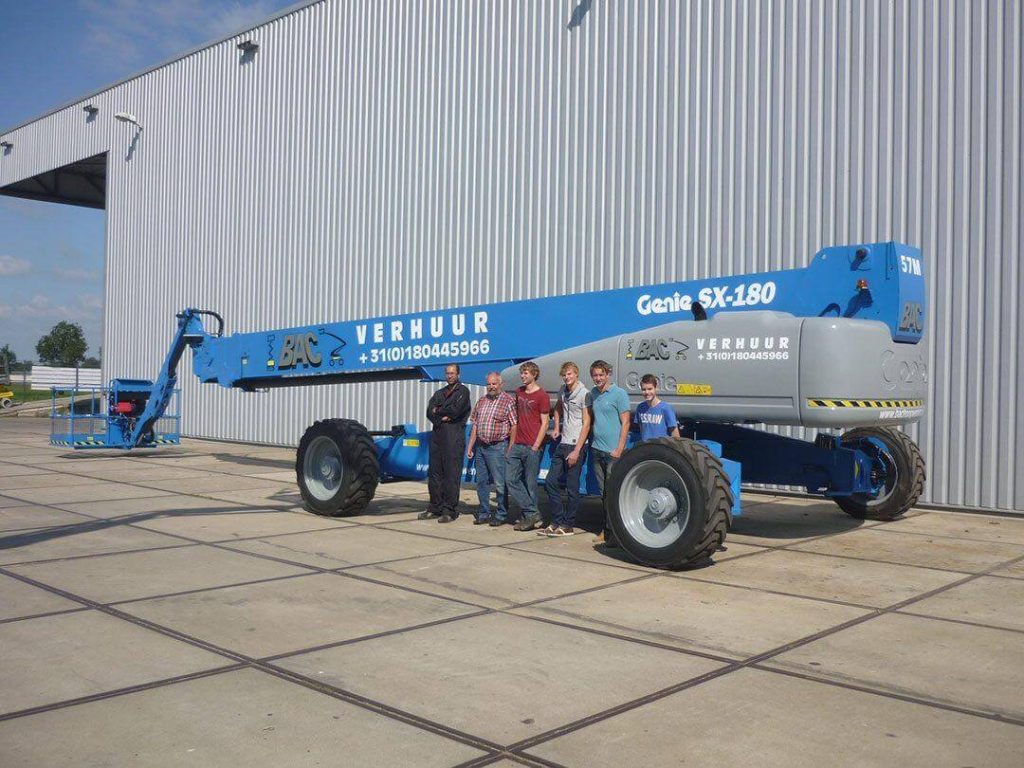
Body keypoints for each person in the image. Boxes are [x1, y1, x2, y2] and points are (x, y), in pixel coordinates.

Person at [542, 362, 591, 536]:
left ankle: (568, 524)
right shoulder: (563, 390)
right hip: (563, 443)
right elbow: (557, 409)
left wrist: (577, 450)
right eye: (564, 375)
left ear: (576, 374)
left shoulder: (584, 394)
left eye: (570, 374)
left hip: (576, 445)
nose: (567, 377)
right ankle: (556, 521)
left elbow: (587, 423)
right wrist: (556, 427)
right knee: (550, 482)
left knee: (572, 488)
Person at [419, 364, 471, 523]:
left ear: (458, 374)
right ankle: (435, 507)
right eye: (447, 373)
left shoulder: (463, 392)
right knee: (434, 474)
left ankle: (449, 510)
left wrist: (439, 410)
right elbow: (429, 411)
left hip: (453, 438)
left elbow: (456, 411)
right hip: (437, 436)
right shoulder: (439, 393)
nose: (449, 376)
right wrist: (442, 414)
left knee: (451, 475)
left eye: (452, 373)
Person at [466, 372, 517, 526]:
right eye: (489, 384)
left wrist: (510, 448)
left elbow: (514, 426)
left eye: (494, 384)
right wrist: (470, 446)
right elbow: (475, 424)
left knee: (500, 483)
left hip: (498, 447)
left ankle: (501, 514)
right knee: (481, 482)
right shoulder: (481, 401)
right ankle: (484, 513)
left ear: (500, 384)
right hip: (481, 447)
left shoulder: (508, 401)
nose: (491, 387)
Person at [588, 359, 630, 545]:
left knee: (613, 493)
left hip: (613, 452)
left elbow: (626, 422)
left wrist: (619, 448)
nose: (598, 378)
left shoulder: (619, 394)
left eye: (601, 375)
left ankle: (616, 532)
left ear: (608, 374)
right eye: (595, 375)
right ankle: (607, 531)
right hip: (597, 450)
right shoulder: (593, 394)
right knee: (603, 493)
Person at [507, 361, 550, 531]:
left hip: (532, 446)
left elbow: (545, 423)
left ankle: (529, 518)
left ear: (534, 374)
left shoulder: (542, 396)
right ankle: (532, 513)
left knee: (531, 484)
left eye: (526, 373)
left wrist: (536, 445)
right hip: (517, 444)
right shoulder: (519, 392)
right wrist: (512, 443)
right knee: (511, 479)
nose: (523, 376)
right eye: (522, 373)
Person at [634, 374, 680, 441]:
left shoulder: (666, 408)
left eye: (650, 389)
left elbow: (675, 433)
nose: (647, 392)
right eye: (644, 389)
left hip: (661, 448)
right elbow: (641, 429)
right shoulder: (640, 407)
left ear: (656, 388)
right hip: (645, 447)